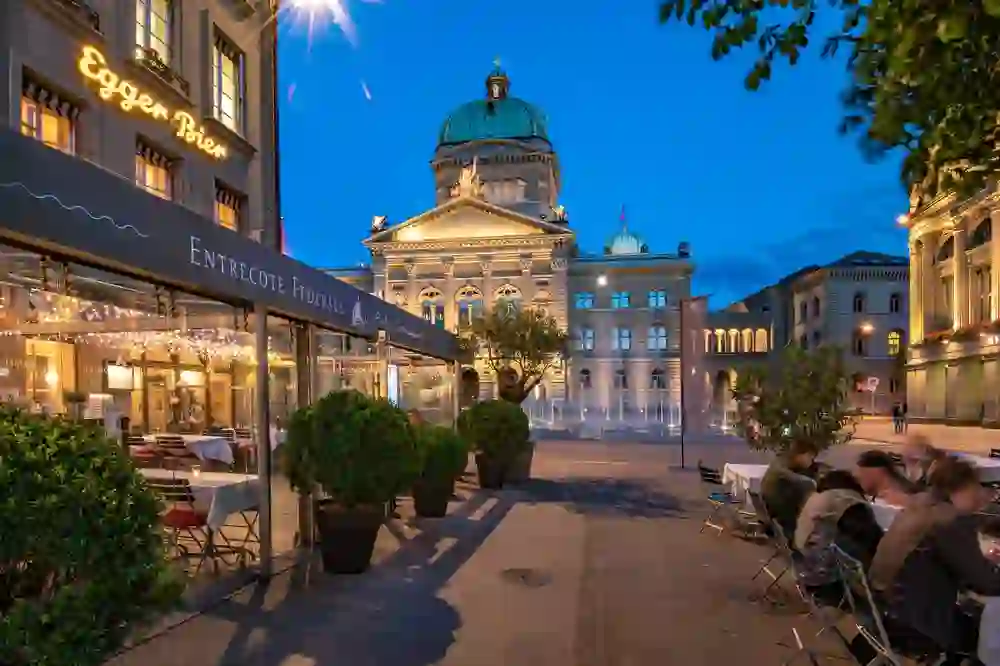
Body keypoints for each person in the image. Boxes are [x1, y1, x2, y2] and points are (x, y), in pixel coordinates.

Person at [870, 457, 1000, 658]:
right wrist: (989, 566)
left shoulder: (919, 504)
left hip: (886, 611)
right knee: (989, 631)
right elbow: (989, 584)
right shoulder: (949, 519)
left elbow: (943, 559)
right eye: (976, 489)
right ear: (963, 488)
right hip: (919, 623)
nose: (980, 497)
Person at [760, 441, 818, 540]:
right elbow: (785, 474)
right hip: (778, 512)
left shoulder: (783, 462)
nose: (811, 461)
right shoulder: (782, 464)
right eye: (810, 457)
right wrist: (810, 481)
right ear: (802, 454)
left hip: (771, 509)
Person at [854, 450, 919, 506]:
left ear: (876, 471)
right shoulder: (882, 498)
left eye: (863, 475)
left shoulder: (898, 500)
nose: (858, 480)